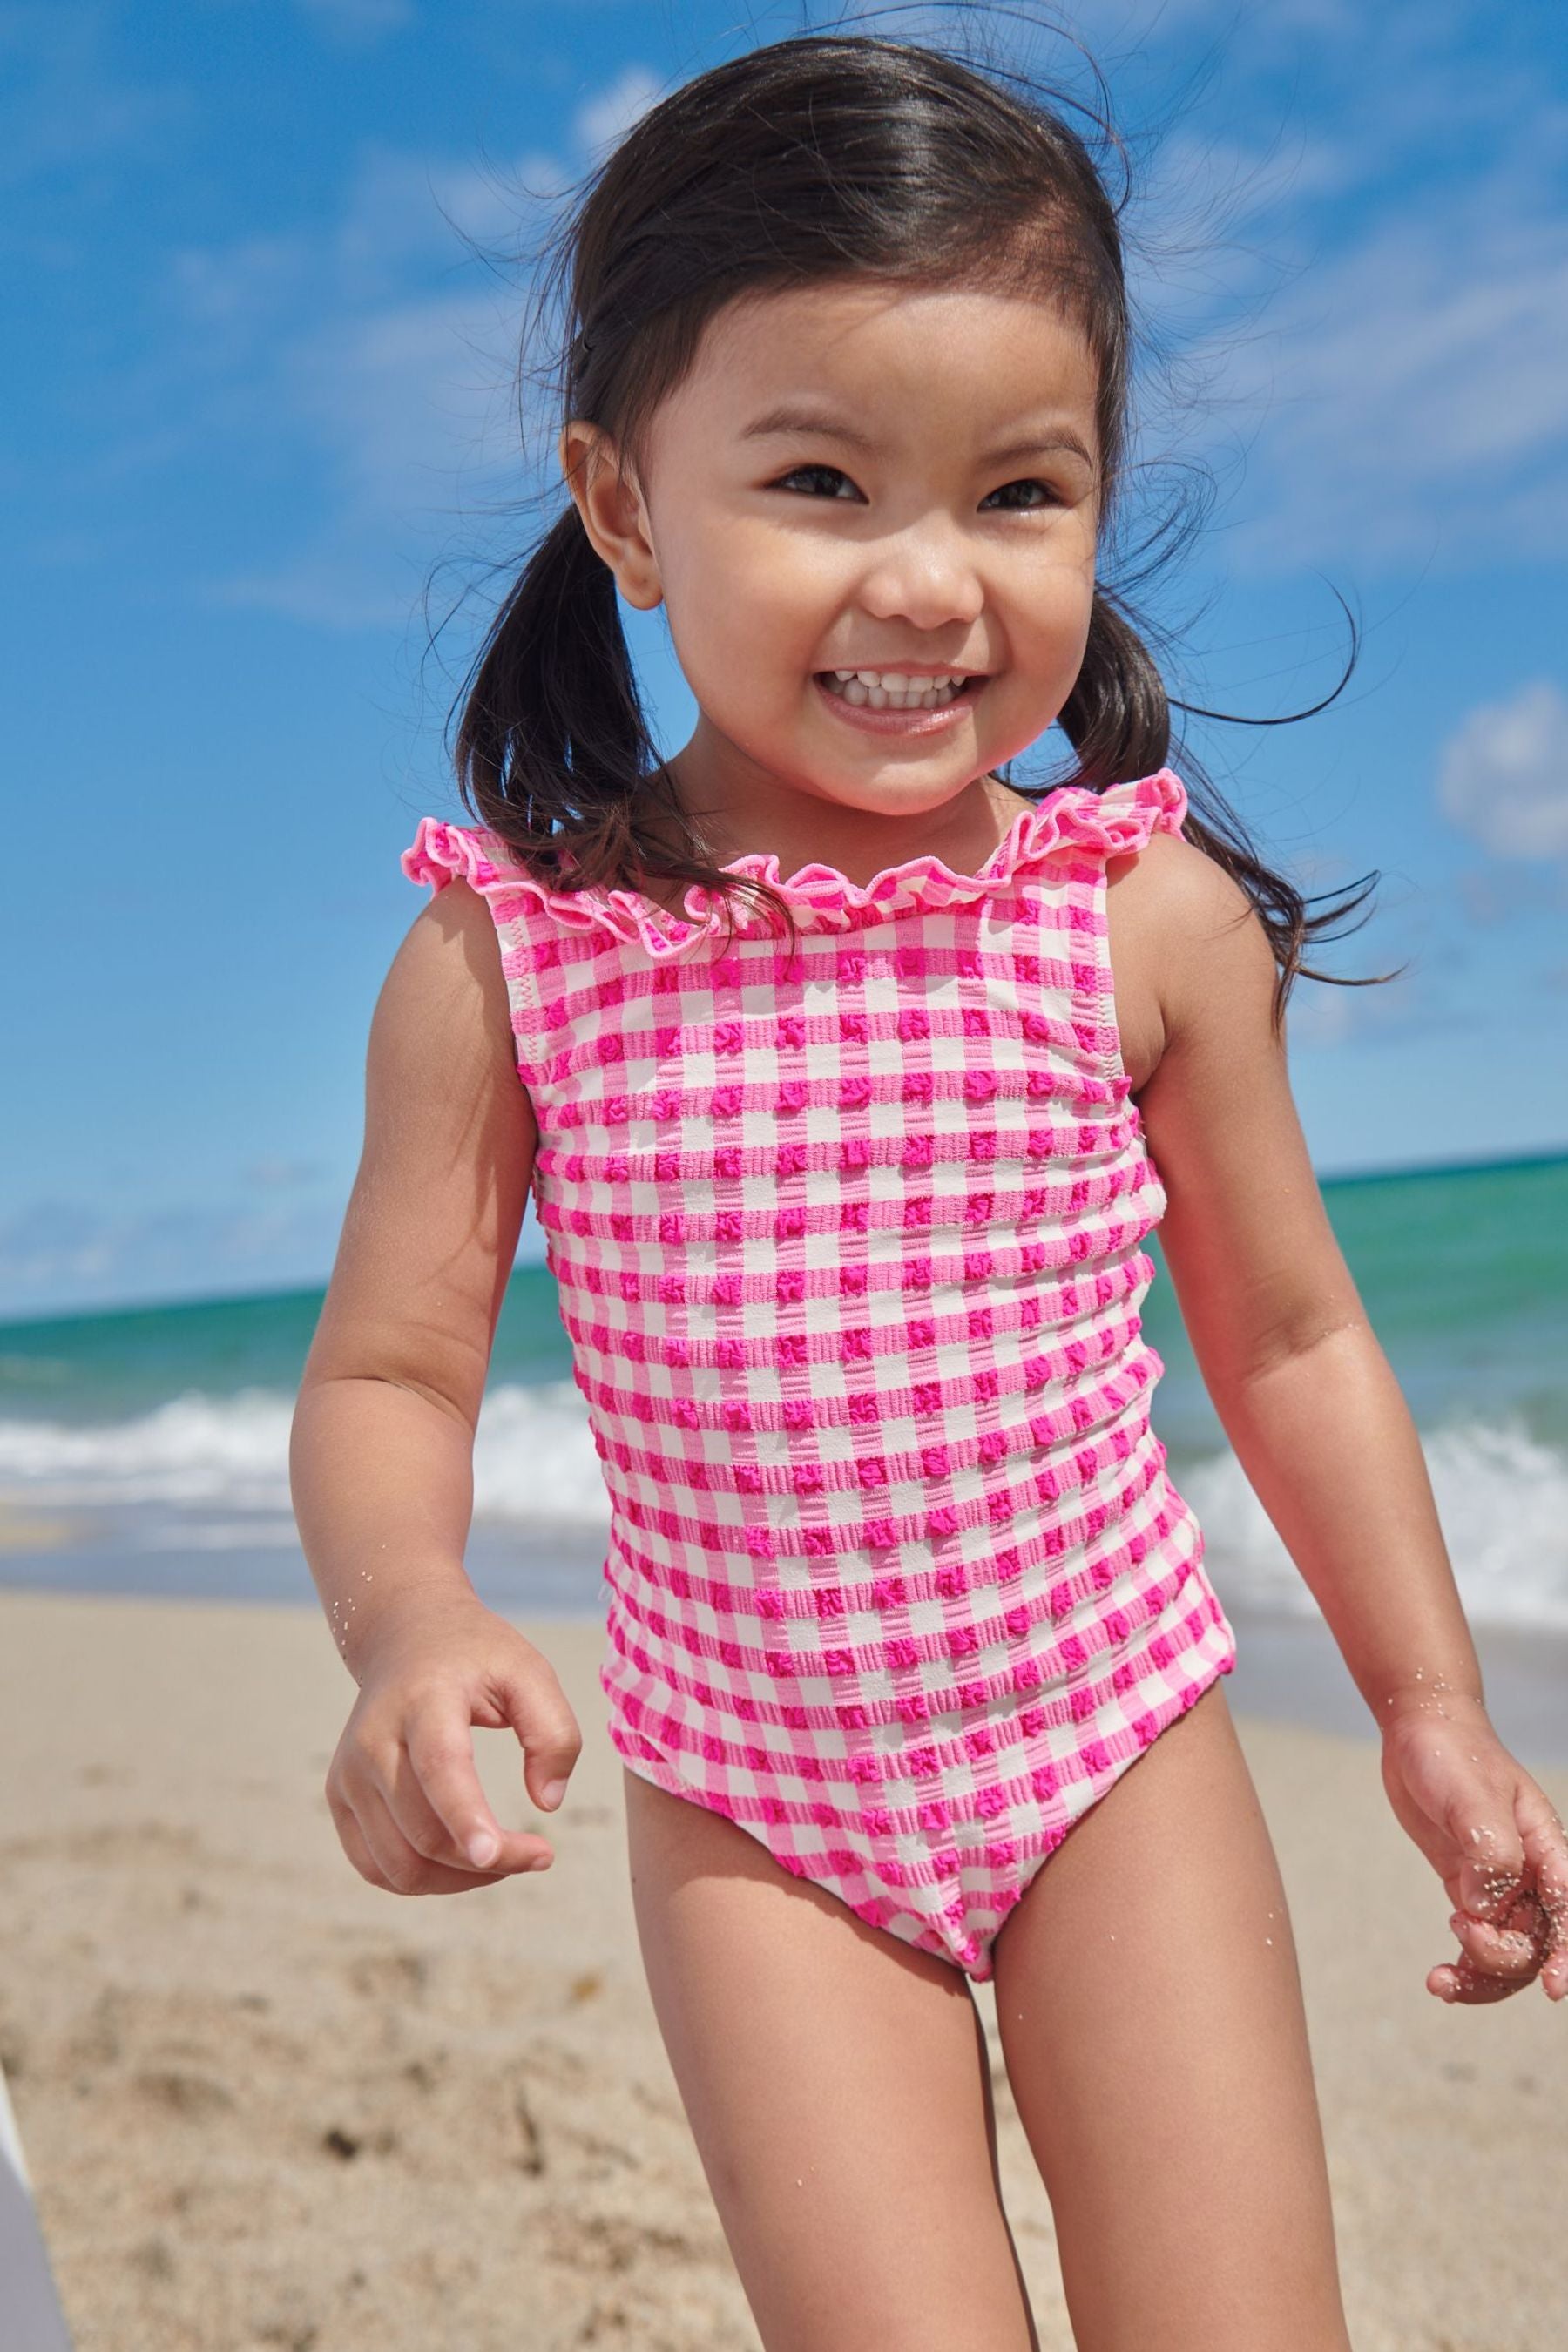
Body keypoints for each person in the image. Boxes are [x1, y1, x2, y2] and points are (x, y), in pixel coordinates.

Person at [288, 28, 1568, 2349]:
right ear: (627, 509)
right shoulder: (511, 956)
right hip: (752, 1813)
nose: (930, 578)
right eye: (818, 477)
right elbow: (391, 1360)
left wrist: (1430, 1700)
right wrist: (409, 1615)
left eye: (1019, 492)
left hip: (1109, 1739)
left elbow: (1292, 1335)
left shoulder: (1135, 914)